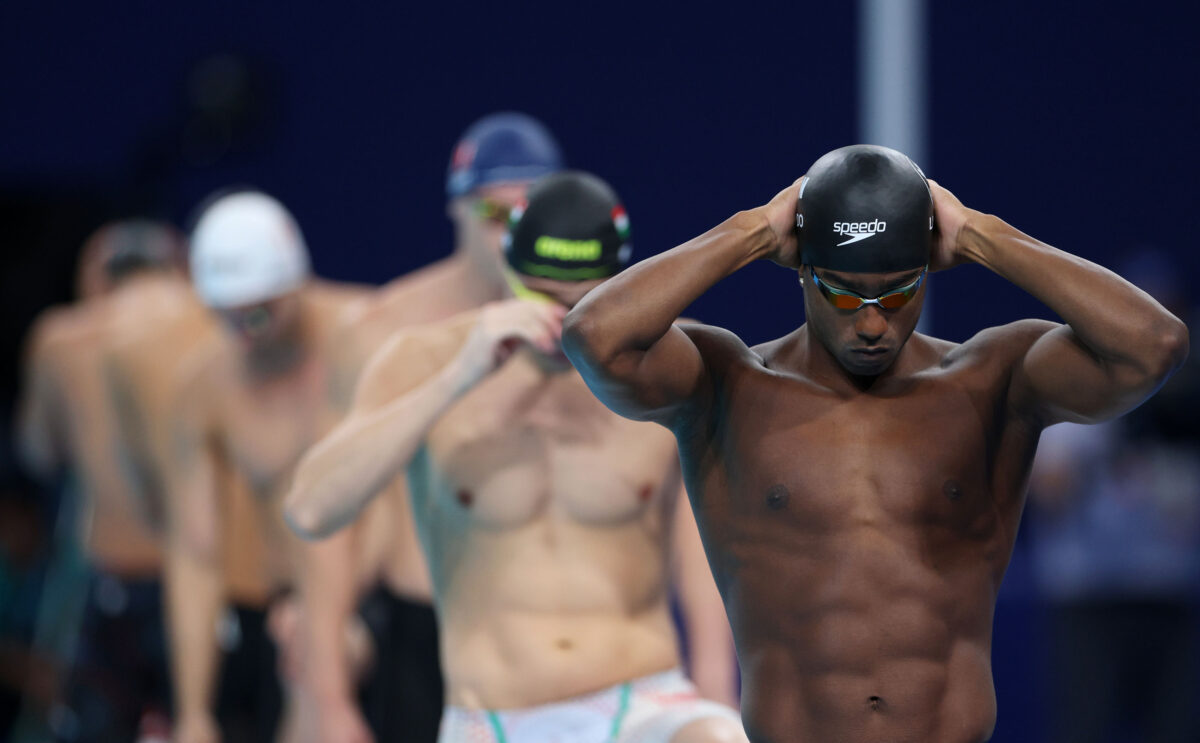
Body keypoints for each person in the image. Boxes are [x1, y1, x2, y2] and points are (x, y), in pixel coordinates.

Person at [560, 144, 1189, 743]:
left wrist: (980, 234)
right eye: (842, 291)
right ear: (802, 270)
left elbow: (1153, 345)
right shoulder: (726, 384)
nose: (870, 322)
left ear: (927, 269)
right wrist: (753, 230)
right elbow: (594, 335)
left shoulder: (993, 380)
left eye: (897, 292)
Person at [286, 172, 745, 743]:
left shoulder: (670, 364)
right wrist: (460, 375)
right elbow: (311, 511)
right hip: (495, 717)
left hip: (643, 697)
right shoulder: (425, 359)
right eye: (540, 298)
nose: (563, 325)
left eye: (583, 304)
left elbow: (703, 534)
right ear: (508, 269)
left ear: (621, 281)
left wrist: (715, 680)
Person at [297, 111, 565, 743]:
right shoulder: (381, 333)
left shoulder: (581, 330)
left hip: (556, 634)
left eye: (528, 213)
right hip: (424, 634)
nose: (510, 233)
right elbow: (329, 525)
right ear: (457, 209)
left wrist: (713, 671)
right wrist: (328, 696)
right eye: (494, 214)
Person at [163, 190, 369, 743]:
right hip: (287, 616)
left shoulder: (367, 336)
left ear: (296, 284)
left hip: (384, 604)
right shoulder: (204, 388)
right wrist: (193, 713)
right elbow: (195, 555)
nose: (244, 332)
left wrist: (331, 619)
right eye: (225, 317)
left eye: (258, 312)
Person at [15, 221, 188, 742]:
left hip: (112, 578)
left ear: (97, 280)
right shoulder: (211, 327)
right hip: (205, 576)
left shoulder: (64, 339)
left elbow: (38, 452)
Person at [1028, 250, 1200, 743]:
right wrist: (1108, 431)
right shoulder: (1074, 396)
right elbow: (1048, 494)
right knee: (1087, 726)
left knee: (1178, 727)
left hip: (1170, 598)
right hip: (1093, 600)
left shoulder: (1188, 409)